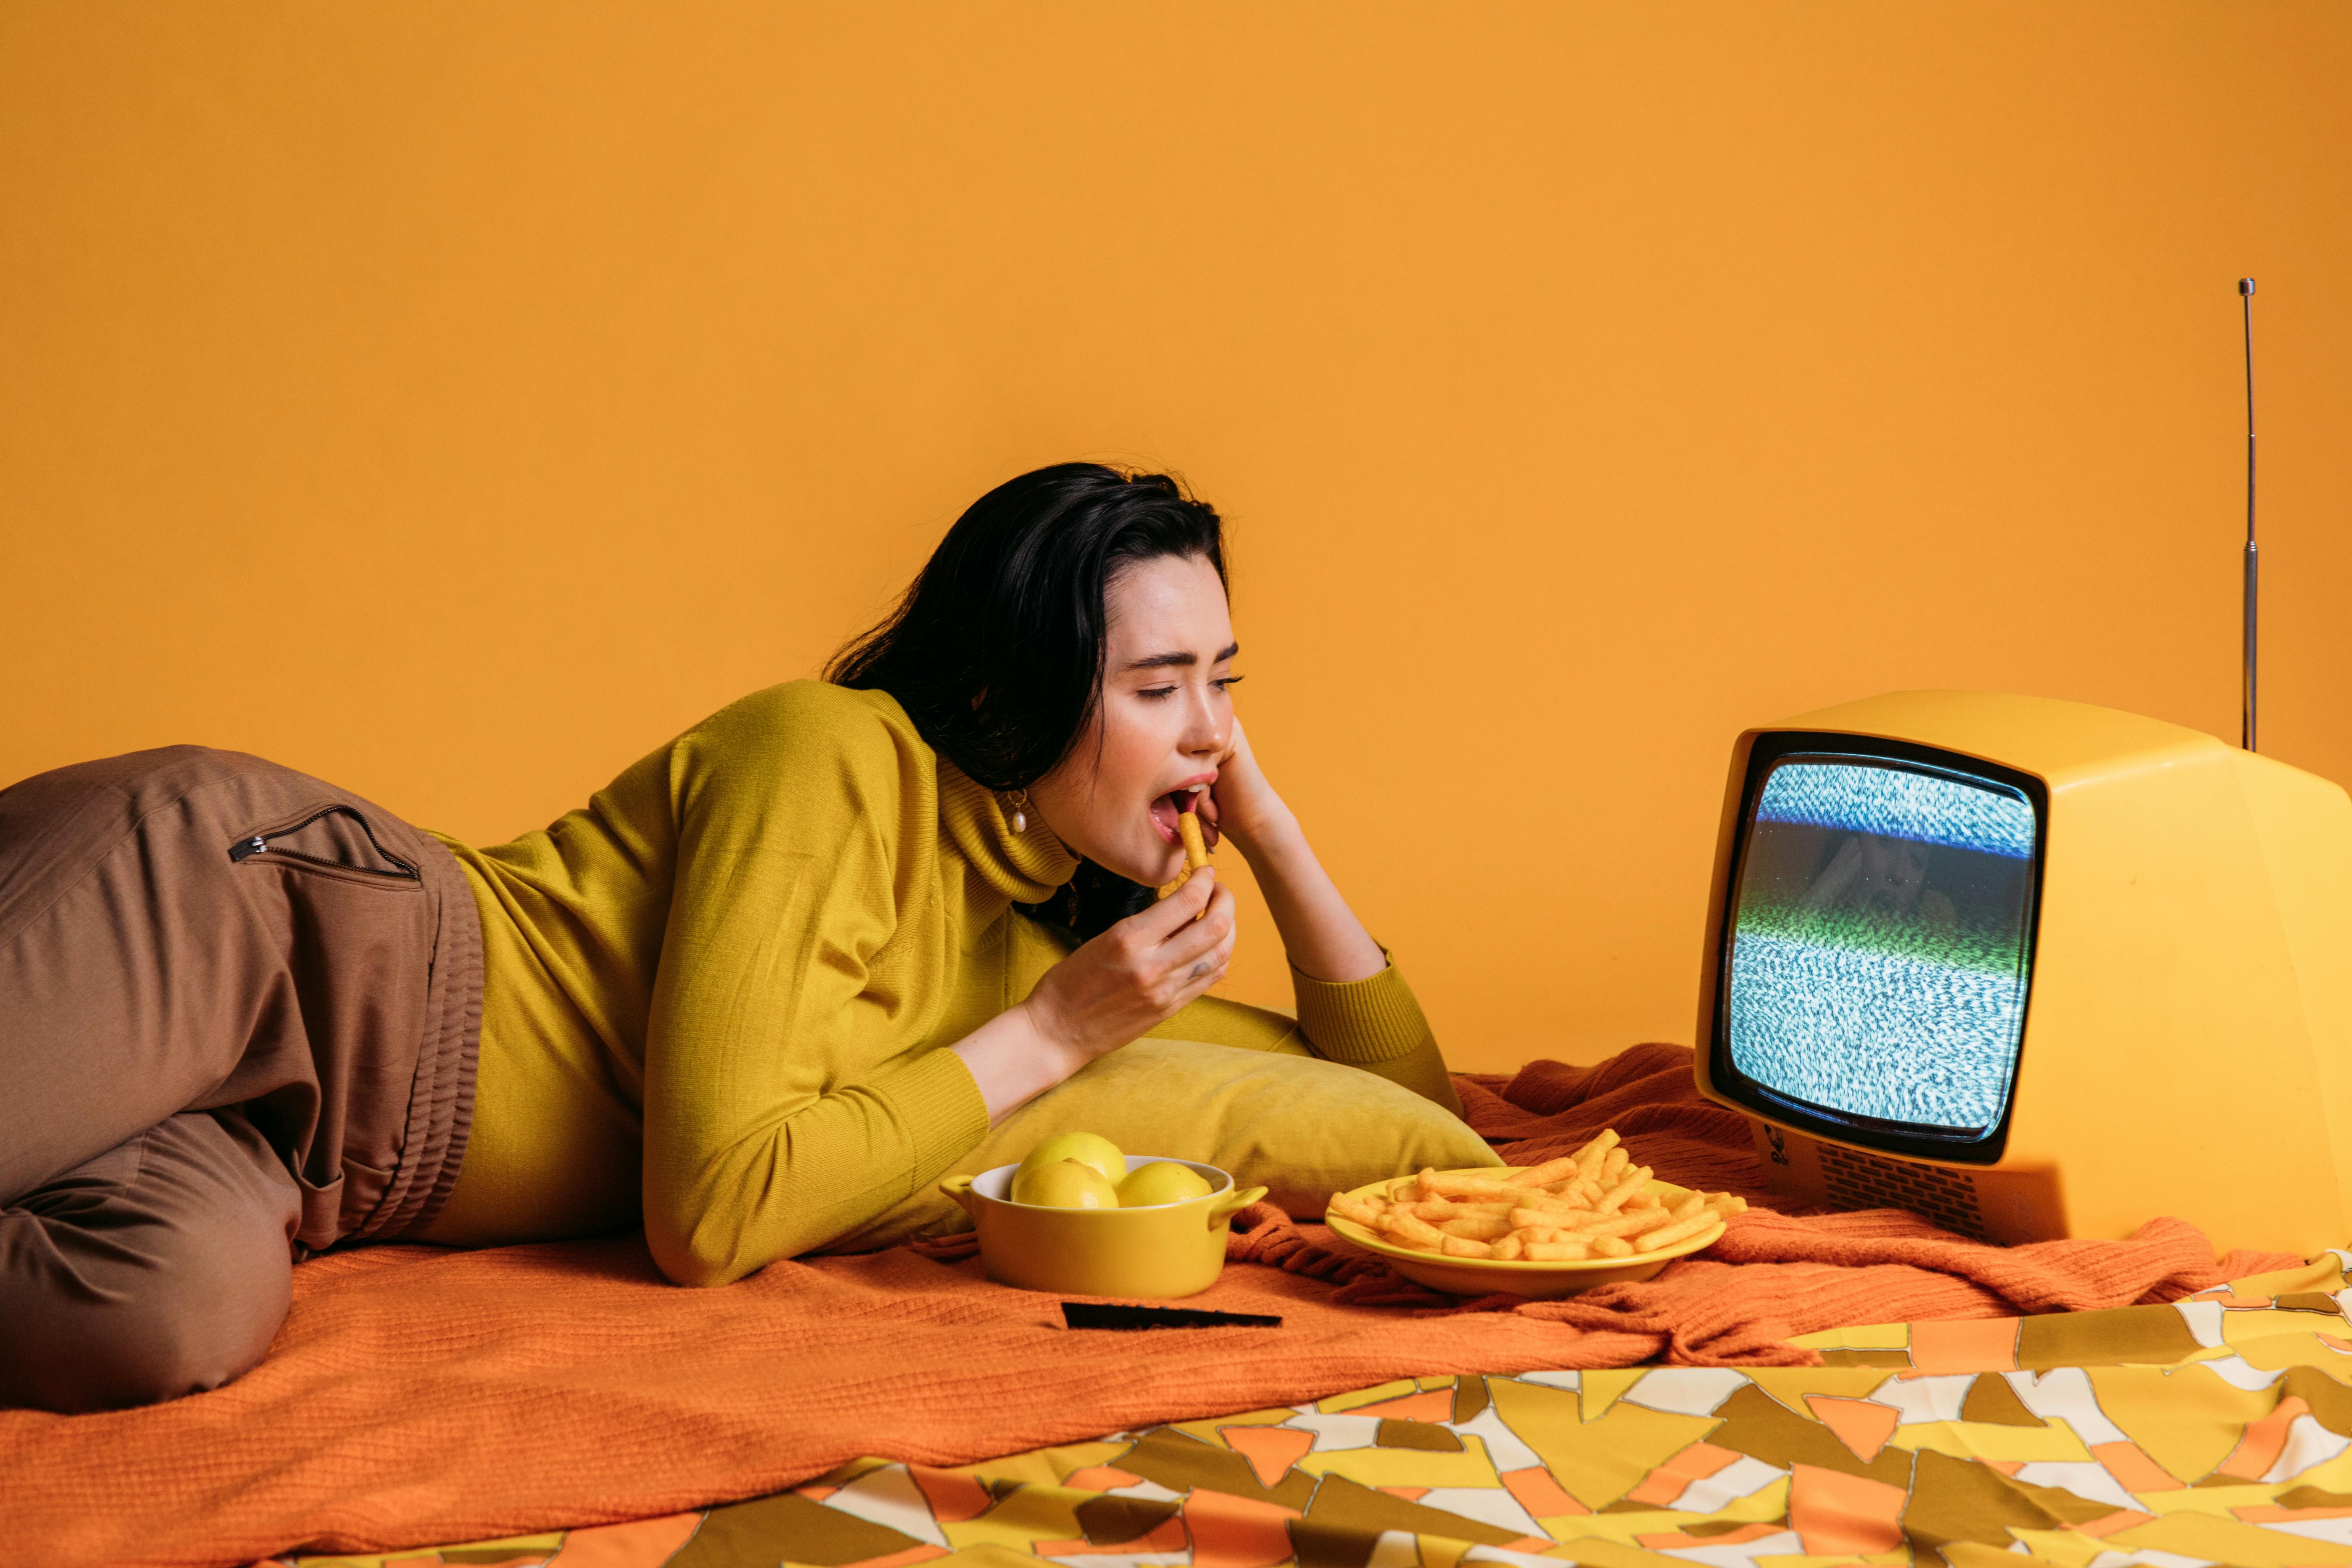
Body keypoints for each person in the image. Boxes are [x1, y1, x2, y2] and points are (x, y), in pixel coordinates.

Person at [0, 463, 1460, 1414]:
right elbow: (707, 1214)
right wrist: (1055, 1036)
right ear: (1018, 693)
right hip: (249, 926)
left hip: (295, 1156)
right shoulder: (826, 759)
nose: (1208, 731)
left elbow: (1416, 1116)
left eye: (1227, 683)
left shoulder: (1048, 943)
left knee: (165, 1317)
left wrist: (1270, 832)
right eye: (1159, 687)